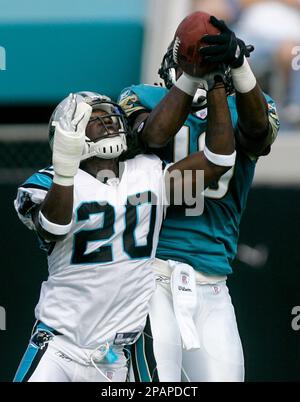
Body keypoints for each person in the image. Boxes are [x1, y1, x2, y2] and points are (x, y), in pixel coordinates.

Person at [13, 81, 236, 382]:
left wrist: (215, 85)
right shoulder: (51, 183)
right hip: (59, 347)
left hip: (115, 359)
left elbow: (218, 160)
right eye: (93, 118)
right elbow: (53, 227)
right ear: (69, 134)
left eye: (109, 114)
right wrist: (65, 169)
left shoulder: (148, 172)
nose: (107, 121)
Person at [118, 15, 280, 382]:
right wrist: (198, 75)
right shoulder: (142, 97)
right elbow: (153, 136)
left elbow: (258, 135)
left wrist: (235, 68)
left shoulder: (251, 106)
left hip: (212, 281)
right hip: (149, 276)